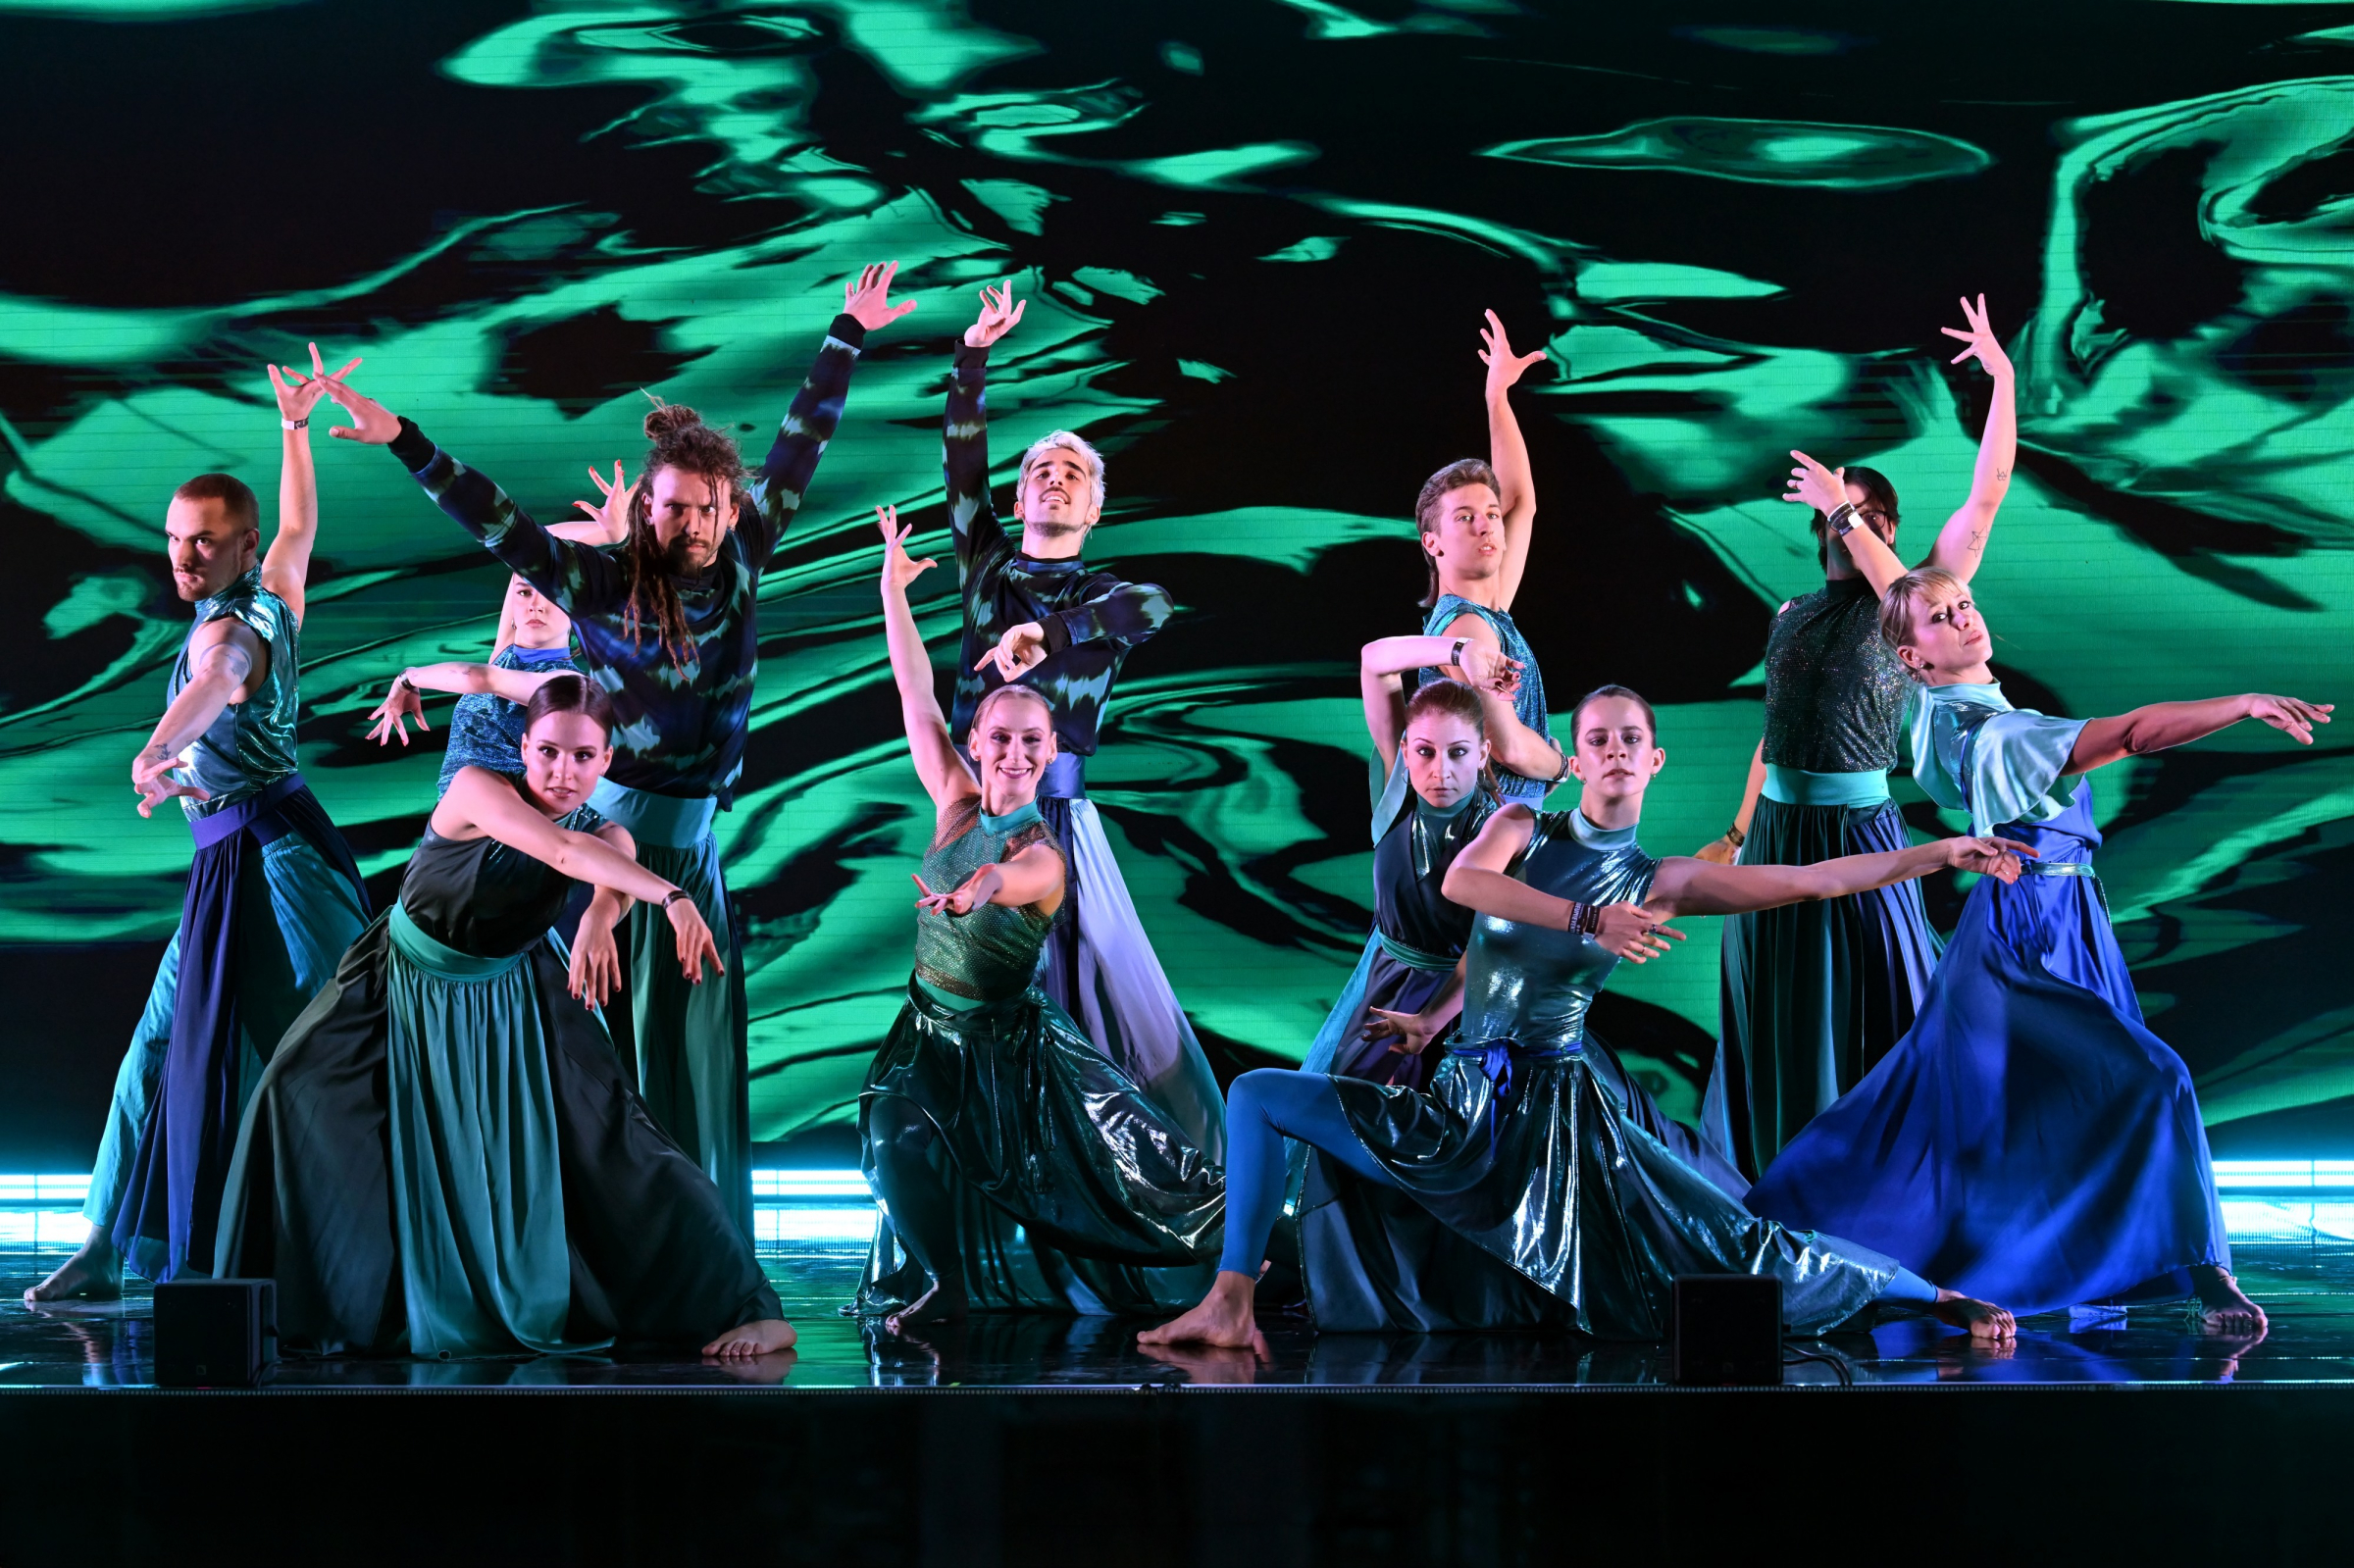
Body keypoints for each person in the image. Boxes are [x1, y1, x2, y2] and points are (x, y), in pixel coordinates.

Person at [1142, 686, 2026, 1349]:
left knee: (1730, 1239)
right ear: (1576, 756)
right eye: (1597, 738)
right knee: (1258, 1095)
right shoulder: (1521, 825)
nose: (1613, 751)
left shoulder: (1660, 881)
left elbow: (1814, 880)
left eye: (1629, 738)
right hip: (1463, 1102)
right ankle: (1230, 1301)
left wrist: (1940, 850)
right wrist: (1443, 1012)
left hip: (1556, 1119)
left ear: (1654, 760)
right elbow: (1467, 890)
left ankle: (1931, 1295)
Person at [327, 262, 918, 1235]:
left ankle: (706, 1251)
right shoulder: (599, 583)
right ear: (645, 507)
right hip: (611, 846)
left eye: (704, 507)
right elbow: (502, 523)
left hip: (696, 852)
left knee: (698, 1059)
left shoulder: (746, 549)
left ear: (729, 509)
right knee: (614, 1067)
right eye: (671, 506)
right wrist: (405, 440)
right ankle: (610, 1253)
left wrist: (846, 333)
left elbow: (801, 442)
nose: (688, 522)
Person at [1745, 568, 2330, 1330]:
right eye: (1941, 618)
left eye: (1965, 603)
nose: (1964, 617)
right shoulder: (1994, 735)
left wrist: (1873, 537)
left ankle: (2155, 1269)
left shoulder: (1950, 709)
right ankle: (2206, 1272)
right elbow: (2132, 734)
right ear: (1912, 657)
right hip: (2025, 934)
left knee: (2032, 1113)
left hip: (2067, 919)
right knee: (2150, 1078)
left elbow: (1908, 602)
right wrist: (2242, 704)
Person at [214, 676, 793, 1359]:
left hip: (515, 999)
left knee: (623, 1142)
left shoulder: (609, 831)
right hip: (398, 984)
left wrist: (602, 915)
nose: (563, 771)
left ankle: (750, 1306)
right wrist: (673, 897)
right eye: (548, 751)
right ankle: (286, 1312)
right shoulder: (474, 789)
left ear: (607, 760)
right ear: (523, 748)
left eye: (583, 756)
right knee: (293, 1096)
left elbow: (608, 872)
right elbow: (562, 854)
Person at [29, 349, 373, 1300]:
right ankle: (104, 1244)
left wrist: (157, 747)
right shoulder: (275, 588)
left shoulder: (234, 629)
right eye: (175, 539)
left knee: (342, 1039)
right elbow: (299, 525)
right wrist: (294, 430)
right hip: (229, 855)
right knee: (157, 1046)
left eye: (204, 544)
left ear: (239, 546)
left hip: (276, 859)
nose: (183, 558)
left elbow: (218, 680)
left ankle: (394, 1249)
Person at [855, 511, 1223, 1332]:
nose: (1015, 755)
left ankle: (1250, 1248)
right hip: (928, 1027)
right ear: (977, 740)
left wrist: (980, 887)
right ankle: (947, 1280)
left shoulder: (1044, 852)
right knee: (889, 1137)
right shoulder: (953, 798)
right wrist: (891, 588)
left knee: (1113, 1176)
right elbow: (914, 690)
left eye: (1032, 742)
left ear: (1051, 749)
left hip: (1011, 1047)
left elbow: (1014, 877)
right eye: (1001, 739)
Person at [1706, 295, 2018, 1179]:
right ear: (1821, 527)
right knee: (1779, 1014)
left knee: (1880, 1006)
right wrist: (1735, 832)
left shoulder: (1918, 601)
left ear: (1888, 528)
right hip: (1778, 832)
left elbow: (1988, 491)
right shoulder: (1790, 612)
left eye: (1873, 510)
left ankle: (1889, 1185)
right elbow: (1773, 736)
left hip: (1860, 831)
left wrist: (2001, 379)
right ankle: (1778, 1190)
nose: (1859, 519)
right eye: (1846, 508)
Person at [939, 280, 1224, 1152]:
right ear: (1020, 498)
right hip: (971, 813)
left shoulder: (1108, 599)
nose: (1054, 479)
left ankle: (1100, 1173)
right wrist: (973, 356)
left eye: (1073, 474)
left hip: (1059, 821)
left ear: (1094, 508)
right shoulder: (986, 568)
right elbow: (961, 464)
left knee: (1078, 1003)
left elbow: (1157, 604)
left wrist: (1049, 633)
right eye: (1040, 471)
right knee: (970, 998)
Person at [1407, 312, 1569, 806]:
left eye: (1490, 515)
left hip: (1509, 823)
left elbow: (1521, 503)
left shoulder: (1488, 610)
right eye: (1465, 518)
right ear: (1433, 543)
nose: (1487, 525)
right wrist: (1564, 765)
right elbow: (1509, 748)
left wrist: (1497, 397)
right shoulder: (1466, 629)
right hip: (1483, 831)